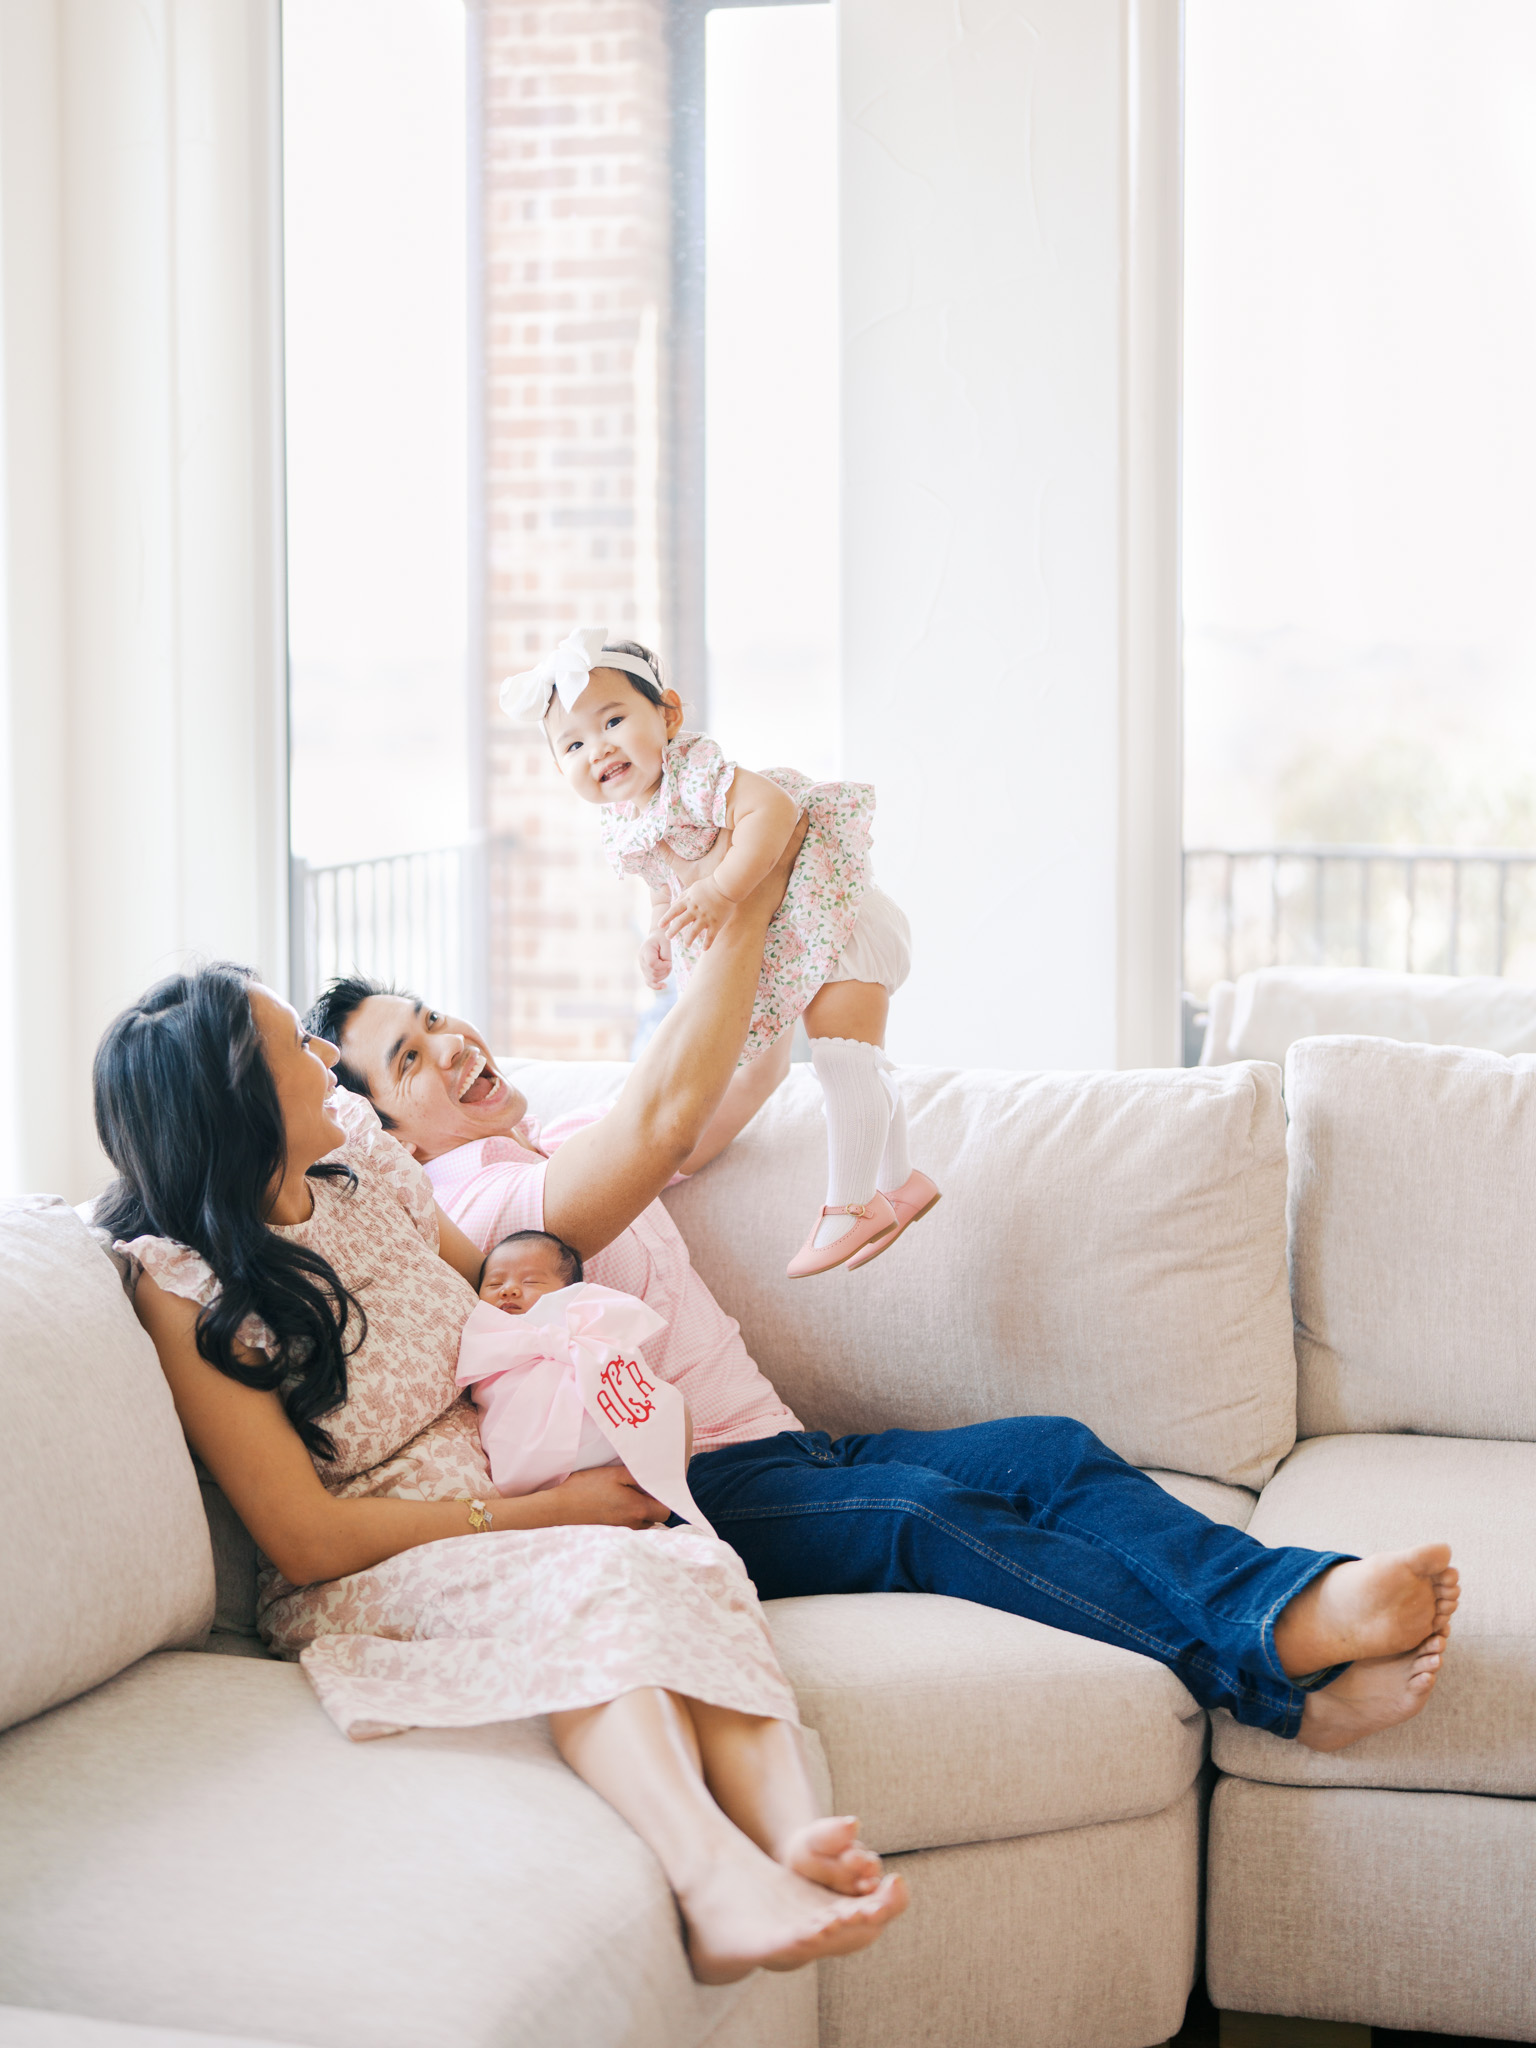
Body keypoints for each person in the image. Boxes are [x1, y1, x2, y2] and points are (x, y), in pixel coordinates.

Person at [312, 977, 1462, 1755]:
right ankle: (1279, 1653)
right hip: (689, 1492)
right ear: (388, 1132)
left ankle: (1278, 1611)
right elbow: (663, 1125)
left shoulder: (561, 1143)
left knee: (1047, 1447)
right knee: (925, 1515)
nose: (455, 1044)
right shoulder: (482, 1201)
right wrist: (739, 903)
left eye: (438, 1019)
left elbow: (733, 1091)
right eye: (410, 1057)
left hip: (782, 1447)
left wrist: (811, 949)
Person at [92, 964, 906, 1985]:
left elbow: (499, 1310)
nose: (324, 1057)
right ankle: (711, 1879)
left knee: (690, 1561)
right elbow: (302, 1536)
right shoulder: (184, 1281)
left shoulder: (371, 1171)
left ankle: (797, 1837)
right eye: (296, 1050)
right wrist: (548, 1507)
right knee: (603, 1573)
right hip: (373, 1557)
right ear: (241, 1100)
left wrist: (610, 1391)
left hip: (520, 1487)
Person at [502, 625, 939, 1276]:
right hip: (802, 940)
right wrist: (657, 935)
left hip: (837, 919)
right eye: (572, 743)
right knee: (860, 1063)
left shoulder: (697, 773)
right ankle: (900, 1183)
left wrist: (723, 890)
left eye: (613, 720)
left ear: (669, 713)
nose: (598, 748)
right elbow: (662, 888)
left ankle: (851, 1205)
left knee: (843, 1063)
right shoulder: (627, 822)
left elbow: (776, 812)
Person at [459, 1231, 713, 1534]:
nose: (509, 1290)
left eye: (531, 1282)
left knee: (671, 1408)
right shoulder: (486, 1338)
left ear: (570, 1294)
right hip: (526, 1470)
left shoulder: (589, 1329)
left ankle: (656, 1495)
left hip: (607, 1453)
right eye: (495, 1283)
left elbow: (625, 1373)